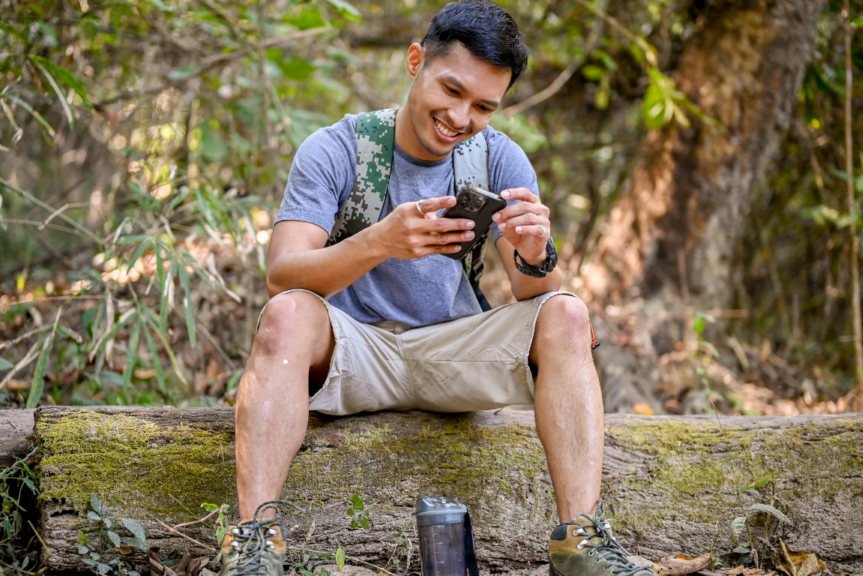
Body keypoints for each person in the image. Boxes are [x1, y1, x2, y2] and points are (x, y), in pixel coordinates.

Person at [219, 2, 655, 576]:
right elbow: (283, 273)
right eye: (451, 90)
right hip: (353, 353)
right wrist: (380, 242)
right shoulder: (338, 148)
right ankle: (255, 540)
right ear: (415, 61)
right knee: (286, 315)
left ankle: (581, 542)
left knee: (568, 314)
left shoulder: (499, 158)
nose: (460, 116)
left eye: (482, 106)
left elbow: (537, 296)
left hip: (454, 354)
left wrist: (532, 251)